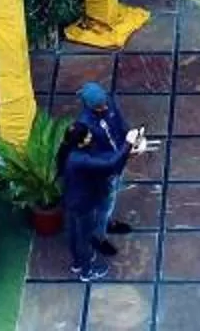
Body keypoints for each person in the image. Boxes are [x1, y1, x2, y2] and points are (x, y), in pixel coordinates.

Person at [59, 81, 147, 283]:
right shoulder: (83, 141)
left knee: (99, 212)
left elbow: (121, 124)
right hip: (94, 187)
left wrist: (130, 141)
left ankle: (101, 232)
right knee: (92, 222)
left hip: (93, 183)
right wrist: (127, 148)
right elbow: (107, 164)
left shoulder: (108, 107)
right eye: (99, 106)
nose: (105, 107)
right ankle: (90, 257)